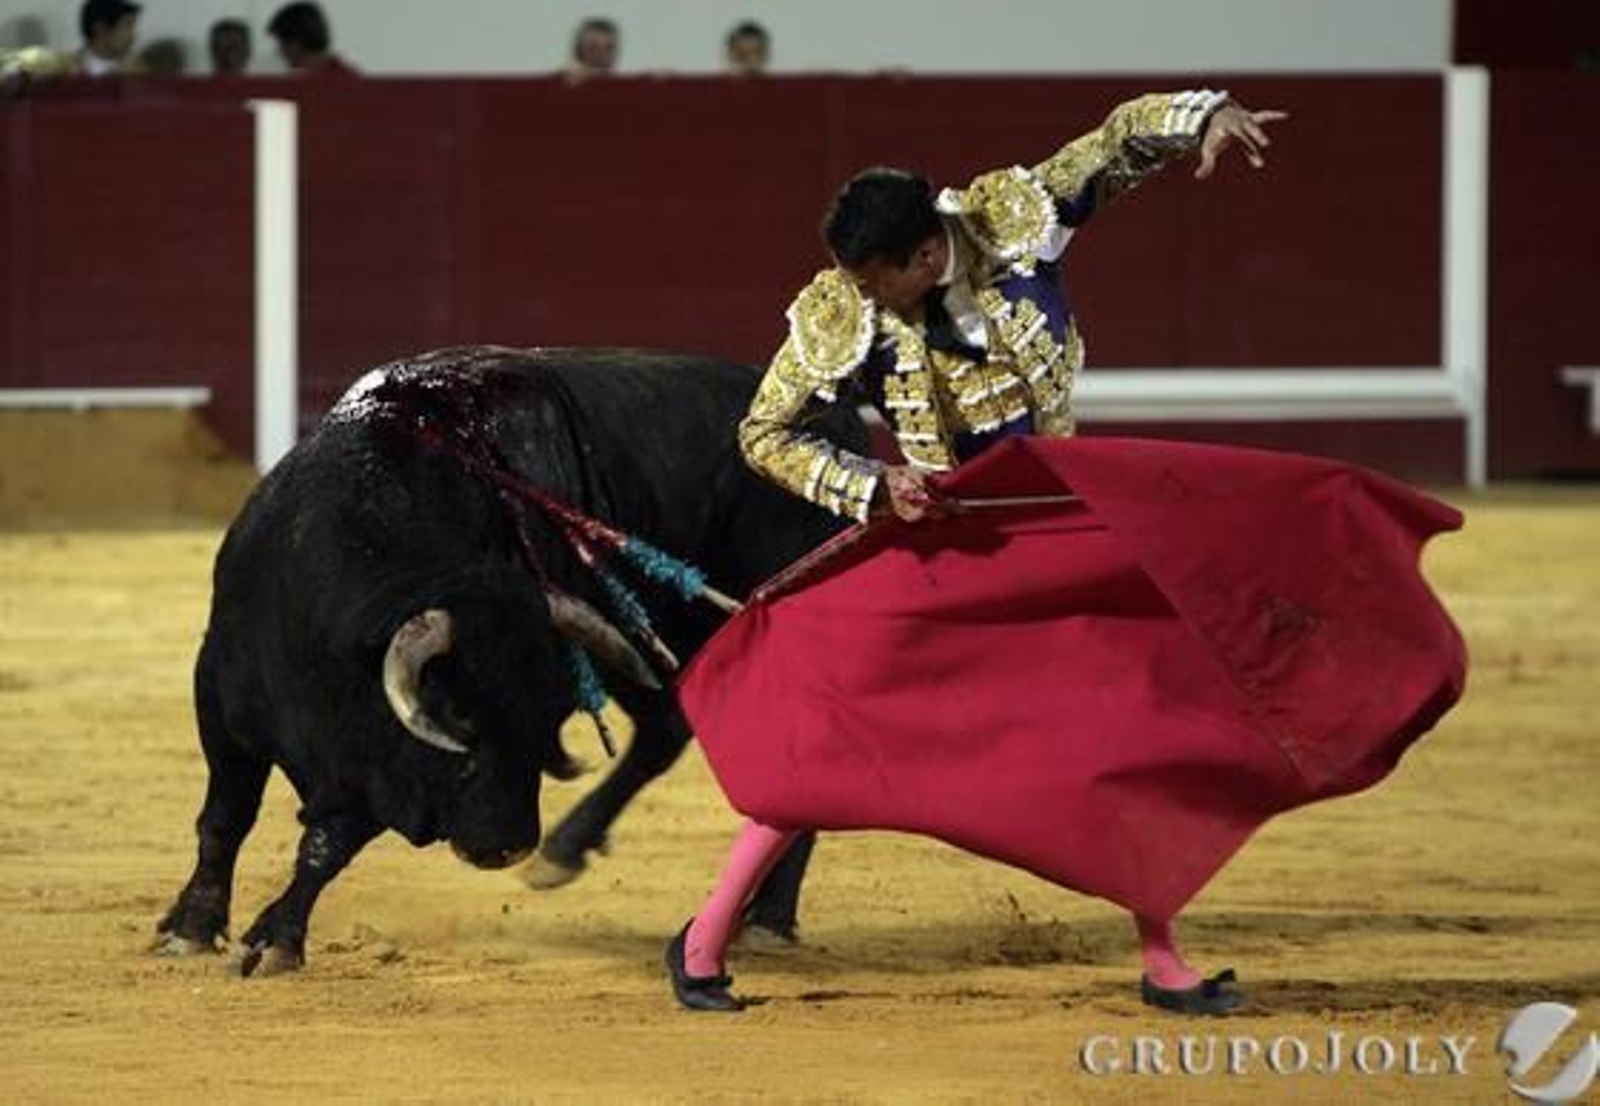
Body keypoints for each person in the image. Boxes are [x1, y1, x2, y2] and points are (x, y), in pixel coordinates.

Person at [666, 89, 1288, 1014]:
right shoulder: (846, 312)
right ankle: (704, 942)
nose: (859, 296)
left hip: (1064, 534)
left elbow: (1114, 146)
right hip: (940, 546)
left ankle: (1164, 963)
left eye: (873, 280)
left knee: (1127, 736)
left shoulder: (1016, 223)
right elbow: (764, 433)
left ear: (925, 256)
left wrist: (1199, 118)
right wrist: (871, 485)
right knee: (828, 735)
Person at [266, 1, 356, 76]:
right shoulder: (352, 81)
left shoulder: (298, 86)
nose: (279, 52)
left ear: (295, 45)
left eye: (282, 44)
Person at [74, 0, 140, 77]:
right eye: (128, 25)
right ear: (101, 29)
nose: (133, 35)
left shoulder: (133, 73)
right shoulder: (74, 76)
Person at [564, 17, 618, 82]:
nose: (601, 55)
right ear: (580, 49)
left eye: (608, 48)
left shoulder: (621, 84)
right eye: (594, 48)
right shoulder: (559, 83)